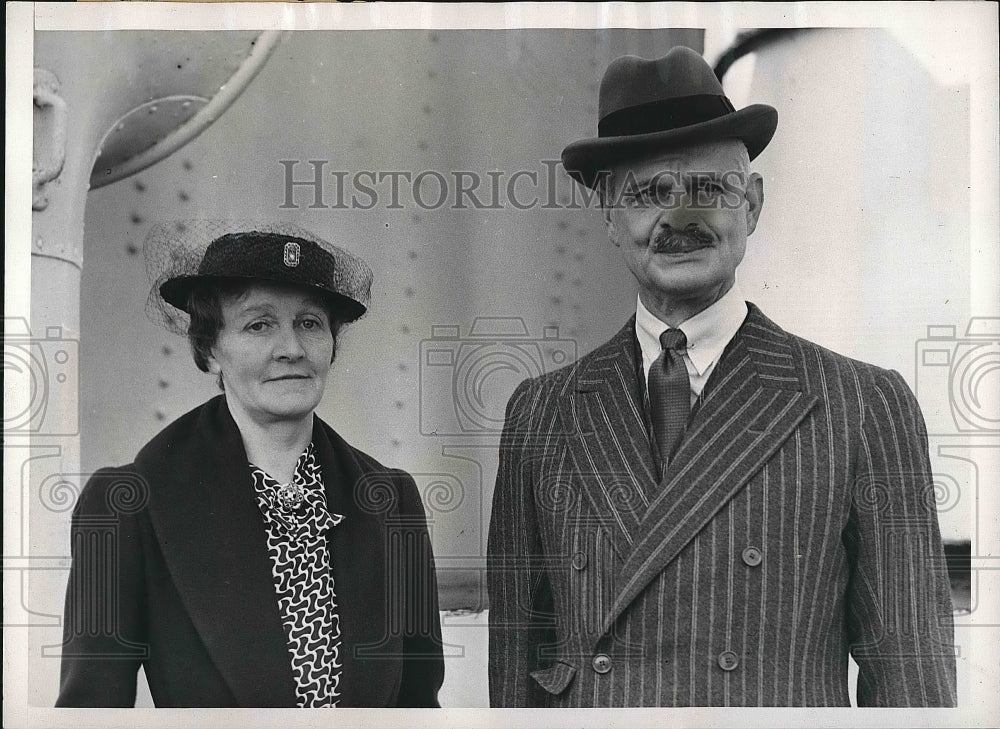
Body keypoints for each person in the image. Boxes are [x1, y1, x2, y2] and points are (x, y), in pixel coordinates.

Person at [487, 46, 956, 707]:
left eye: (709, 188)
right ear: (609, 219)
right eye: (650, 193)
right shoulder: (540, 413)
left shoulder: (862, 405)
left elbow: (912, 686)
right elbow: (518, 676)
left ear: (753, 206)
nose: (680, 216)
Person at [57, 222, 444, 707]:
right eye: (258, 324)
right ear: (209, 350)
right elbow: (90, 712)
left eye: (310, 323)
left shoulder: (392, 501)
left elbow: (417, 706)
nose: (292, 348)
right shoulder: (129, 505)